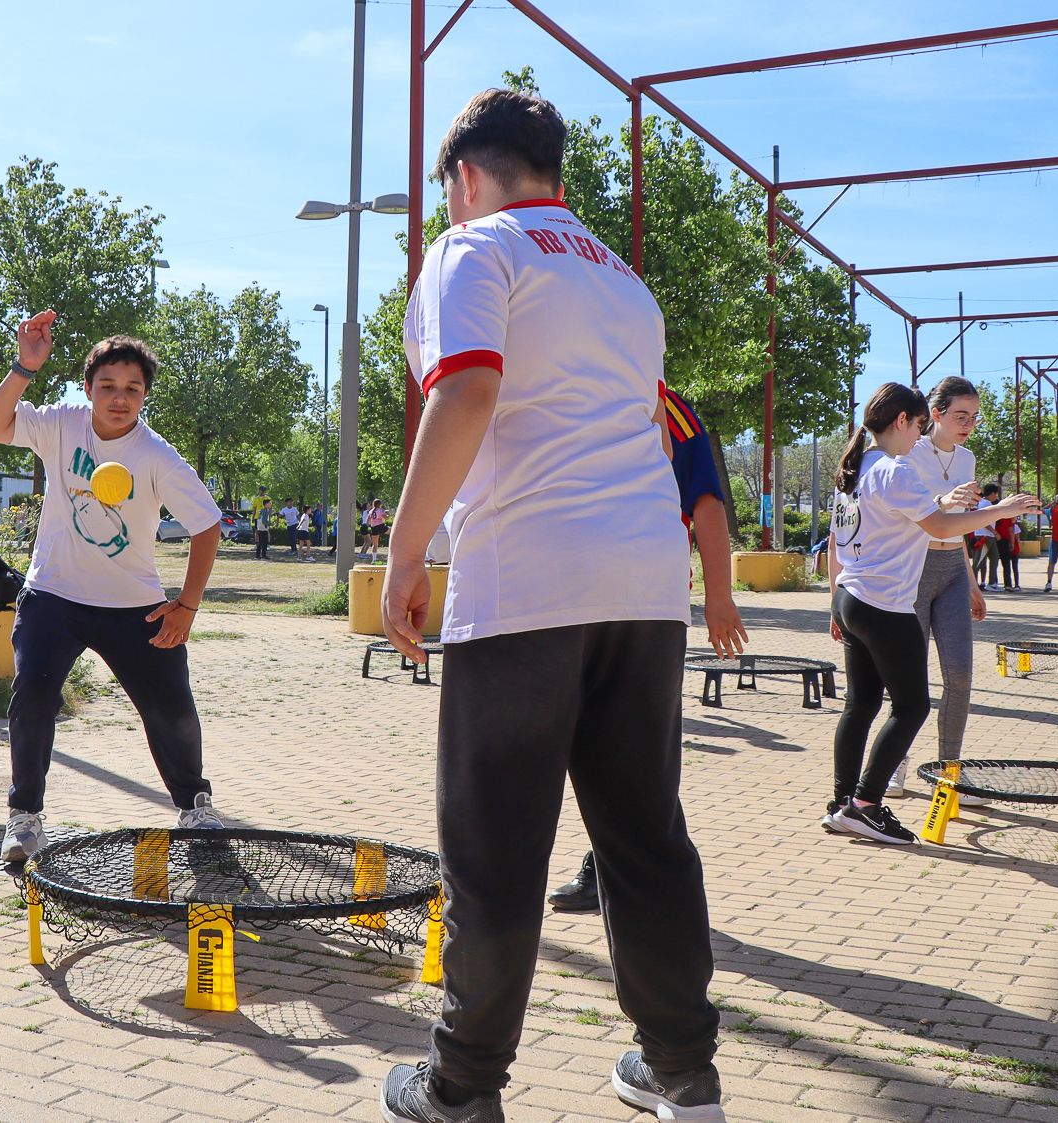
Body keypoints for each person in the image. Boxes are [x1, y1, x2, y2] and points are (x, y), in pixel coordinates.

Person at [377, 87, 724, 1123]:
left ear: (463, 179)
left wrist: (403, 551)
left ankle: (461, 1088)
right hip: (643, 588)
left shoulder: (473, 248)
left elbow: (467, 389)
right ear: (555, 179)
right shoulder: (624, 284)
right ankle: (681, 1075)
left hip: (527, 579)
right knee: (642, 837)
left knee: (494, 853)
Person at [0, 311, 228, 865]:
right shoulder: (63, 424)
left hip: (133, 608)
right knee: (33, 698)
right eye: (108, 386)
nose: (120, 398)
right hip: (53, 599)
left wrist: (186, 605)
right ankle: (25, 819)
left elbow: (207, 526)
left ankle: (196, 806)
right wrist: (24, 367)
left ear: (144, 397)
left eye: (132, 389)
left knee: (171, 710)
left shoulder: (156, 456)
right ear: (87, 389)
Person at [548, 383, 747, 917]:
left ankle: (633, 876)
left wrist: (720, 597)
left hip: (641, 603)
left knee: (631, 751)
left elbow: (705, 502)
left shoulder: (669, 405)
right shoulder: (565, 387)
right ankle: (621, 870)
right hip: (560, 596)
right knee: (591, 745)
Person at [826, 382, 1037, 846]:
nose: (919, 434)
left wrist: (833, 605)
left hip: (851, 596)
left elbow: (844, 541)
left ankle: (841, 802)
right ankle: (865, 804)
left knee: (860, 703)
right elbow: (939, 527)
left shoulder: (855, 467)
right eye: (919, 424)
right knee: (912, 705)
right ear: (903, 421)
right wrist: (999, 509)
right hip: (885, 603)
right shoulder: (896, 469)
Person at [898, 376, 994, 783]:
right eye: (960, 415)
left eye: (973, 416)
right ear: (935, 414)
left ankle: (949, 769)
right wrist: (942, 501)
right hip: (914, 567)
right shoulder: (908, 452)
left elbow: (961, 527)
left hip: (953, 567)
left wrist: (971, 583)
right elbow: (904, 512)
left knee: (960, 674)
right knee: (907, 678)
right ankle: (894, 766)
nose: (968, 423)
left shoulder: (968, 459)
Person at [995, 507, 1021, 592]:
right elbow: (1011, 532)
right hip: (1004, 540)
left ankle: (993, 582)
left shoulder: (997, 516)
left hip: (995, 538)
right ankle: (1008, 584)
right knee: (1006, 564)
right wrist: (1012, 543)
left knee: (994, 562)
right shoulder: (1008, 519)